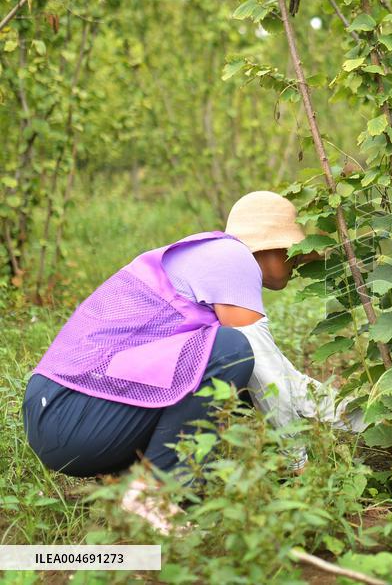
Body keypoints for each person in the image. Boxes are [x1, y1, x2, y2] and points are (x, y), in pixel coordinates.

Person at [22, 191, 358, 532]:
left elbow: (286, 381)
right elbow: (270, 379)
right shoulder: (231, 257)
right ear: (272, 246)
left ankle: (129, 485)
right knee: (232, 353)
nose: (297, 263)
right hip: (70, 411)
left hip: (62, 416)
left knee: (235, 371)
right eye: (294, 253)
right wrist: (298, 465)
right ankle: (153, 493)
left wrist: (368, 422)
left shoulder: (207, 262)